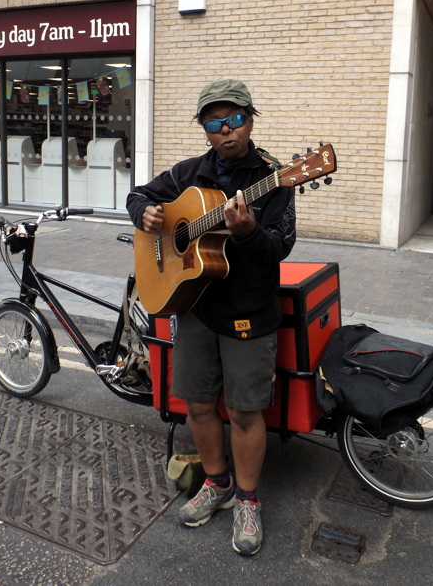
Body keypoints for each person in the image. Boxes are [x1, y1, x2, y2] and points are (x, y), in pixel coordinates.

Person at [126, 79, 296, 555]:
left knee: (244, 411)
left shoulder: (276, 178)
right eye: (215, 123)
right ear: (204, 129)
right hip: (195, 307)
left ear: (251, 119)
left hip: (248, 312)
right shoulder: (188, 173)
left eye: (236, 119)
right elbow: (137, 193)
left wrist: (246, 233)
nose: (227, 131)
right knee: (198, 403)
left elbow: (278, 248)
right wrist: (144, 213)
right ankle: (216, 483)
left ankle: (247, 500)